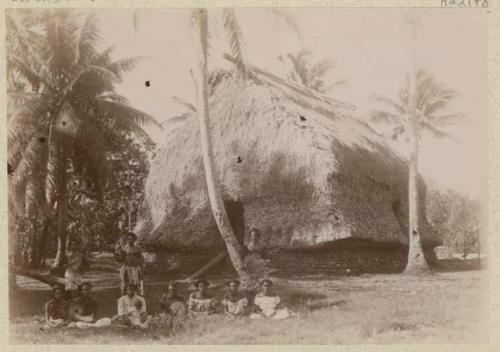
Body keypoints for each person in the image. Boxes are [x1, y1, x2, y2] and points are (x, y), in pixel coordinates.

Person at [115, 232, 145, 296]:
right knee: (124, 283)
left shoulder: (137, 249)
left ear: (134, 240)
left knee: (135, 283)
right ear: (127, 240)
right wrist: (116, 254)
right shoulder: (124, 249)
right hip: (126, 268)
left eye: (132, 239)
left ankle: (135, 297)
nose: (130, 241)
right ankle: (124, 297)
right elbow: (120, 260)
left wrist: (141, 270)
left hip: (135, 268)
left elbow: (141, 260)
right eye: (128, 239)